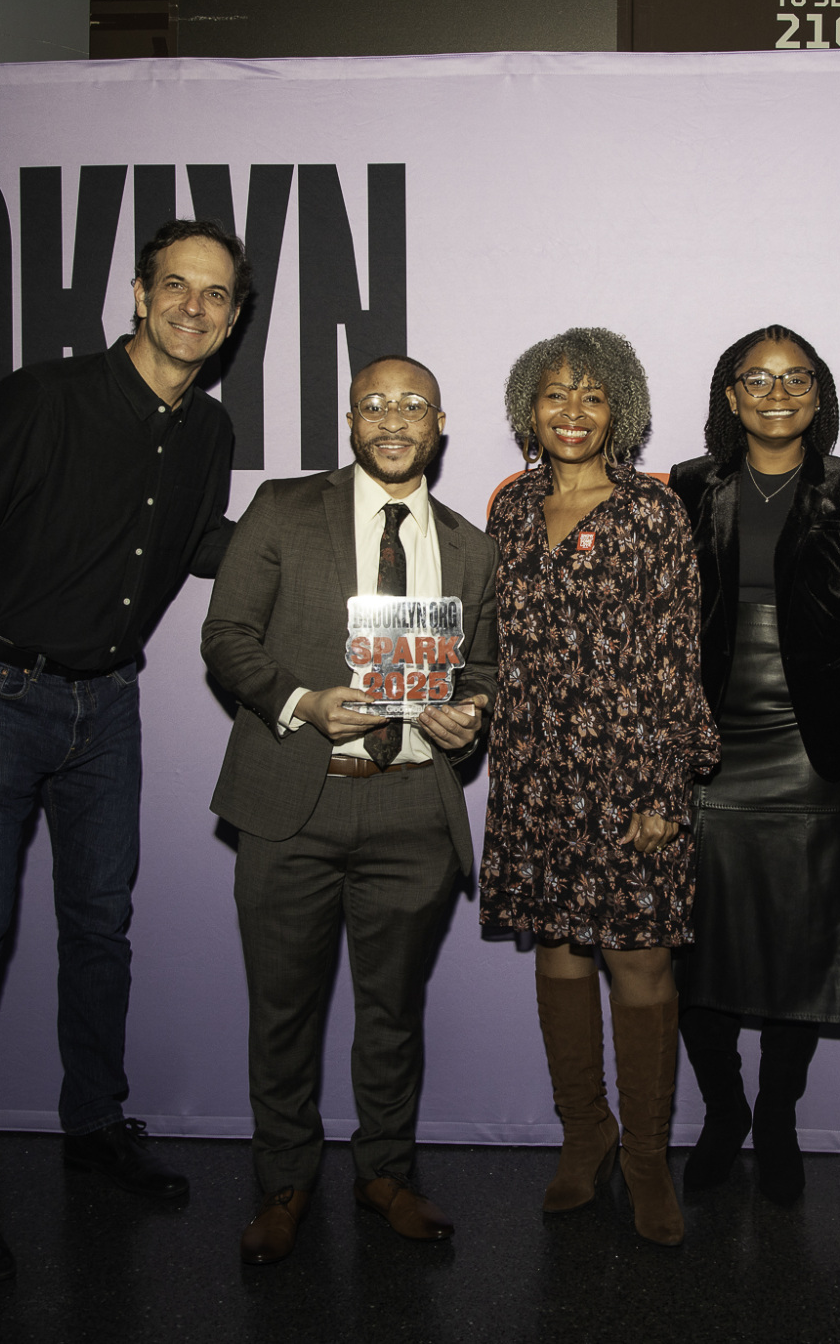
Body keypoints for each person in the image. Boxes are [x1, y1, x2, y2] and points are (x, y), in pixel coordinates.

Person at [0, 218, 250, 1282]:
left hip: (109, 705)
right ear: (139, 295)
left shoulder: (208, 433)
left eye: (217, 295)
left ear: (234, 318)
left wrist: (314, 537)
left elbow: (200, 546)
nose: (195, 307)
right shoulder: (41, 398)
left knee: (101, 926)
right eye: (176, 287)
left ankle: (92, 1125)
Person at [201, 354, 499, 1267]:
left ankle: (386, 1175)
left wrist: (468, 718)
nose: (395, 418)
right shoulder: (285, 509)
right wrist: (304, 702)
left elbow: (481, 671)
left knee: (392, 1013)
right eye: (376, 403)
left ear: (440, 424)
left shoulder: (471, 545)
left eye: (414, 404)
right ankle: (285, 1183)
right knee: (282, 1012)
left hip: (412, 808)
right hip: (294, 799)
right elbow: (227, 638)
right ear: (350, 419)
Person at [480, 327, 718, 1247]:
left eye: (592, 396)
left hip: (628, 771)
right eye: (553, 395)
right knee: (560, 953)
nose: (571, 412)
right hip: (537, 770)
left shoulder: (653, 514)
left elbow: (675, 656)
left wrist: (666, 787)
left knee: (640, 961)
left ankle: (647, 1158)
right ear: (526, 408)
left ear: (620, 409)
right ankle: (586, 1136)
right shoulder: (510, 509)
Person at [667, 324, 840, 1206]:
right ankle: (723, 1110)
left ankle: (777, 1113)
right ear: (730, 396)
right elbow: (661, 633)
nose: (776, 392)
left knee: (802, 943)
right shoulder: (689, 487)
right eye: (755, 379)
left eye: (794, 378)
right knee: (701, 944)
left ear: (818, 393)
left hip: (816, 745)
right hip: (708, 744)